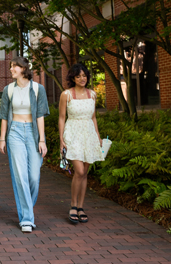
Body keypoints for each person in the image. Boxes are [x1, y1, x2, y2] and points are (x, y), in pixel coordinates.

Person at [0, 57, 49, 233]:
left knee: (34, 176)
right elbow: (4, 115)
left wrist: (42, 139)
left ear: (23, 68)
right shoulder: (8, 90)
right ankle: (27, 218)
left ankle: (26, 205)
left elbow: (40, 115)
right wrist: (2, 139)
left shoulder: (37, 89)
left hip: (33, 133)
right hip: (15, 133)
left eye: (14, 66)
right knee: (20, 175)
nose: (11, 69)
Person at [58, 63, 103, 224]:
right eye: (78, 76)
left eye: (84, 75)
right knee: (79, 171)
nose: (82, 78)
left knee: (85, 172)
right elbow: (62, 118)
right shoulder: (66, 95)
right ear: (73, 78)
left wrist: (97, 136)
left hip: (89, 135)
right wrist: (61, 139)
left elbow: (93, 117)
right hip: (73, 133)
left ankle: (81, 207)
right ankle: (73, 205)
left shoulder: (93, 94)